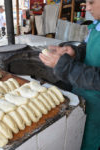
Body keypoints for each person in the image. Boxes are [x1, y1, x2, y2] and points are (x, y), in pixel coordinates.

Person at [39, 0, 100, 150]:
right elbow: (91, 50)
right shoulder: (97, 26)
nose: (88, 7)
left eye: (92, 2)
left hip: (97, 108)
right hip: (82, 95)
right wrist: (75, 53)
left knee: (89, 142)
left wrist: (66, 67)